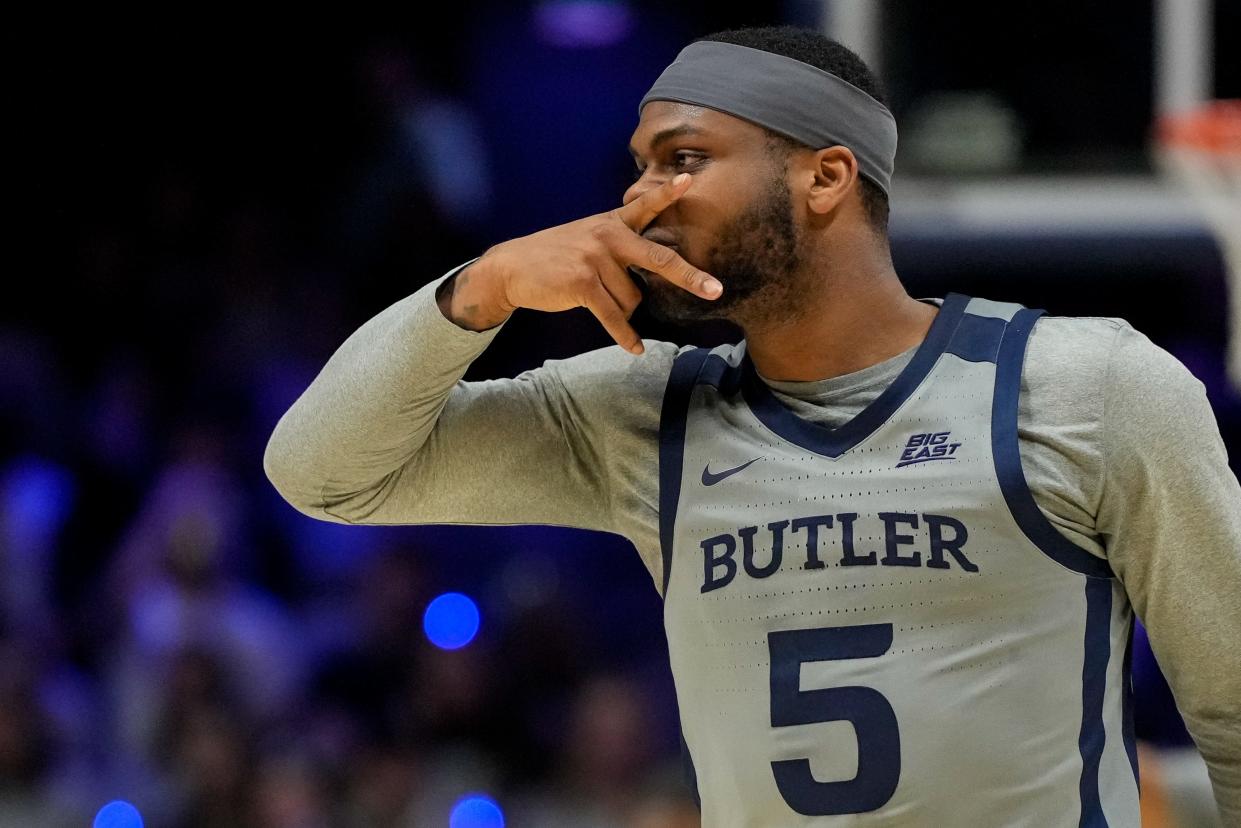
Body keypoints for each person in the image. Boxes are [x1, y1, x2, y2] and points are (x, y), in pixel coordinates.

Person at [264, 25, 1241, 825]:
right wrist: (481, 289)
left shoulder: (1087, 384)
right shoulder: (639, 408)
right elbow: (324, 474)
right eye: (636, 169)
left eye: (681, 160)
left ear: (823, 179)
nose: (638, 202)